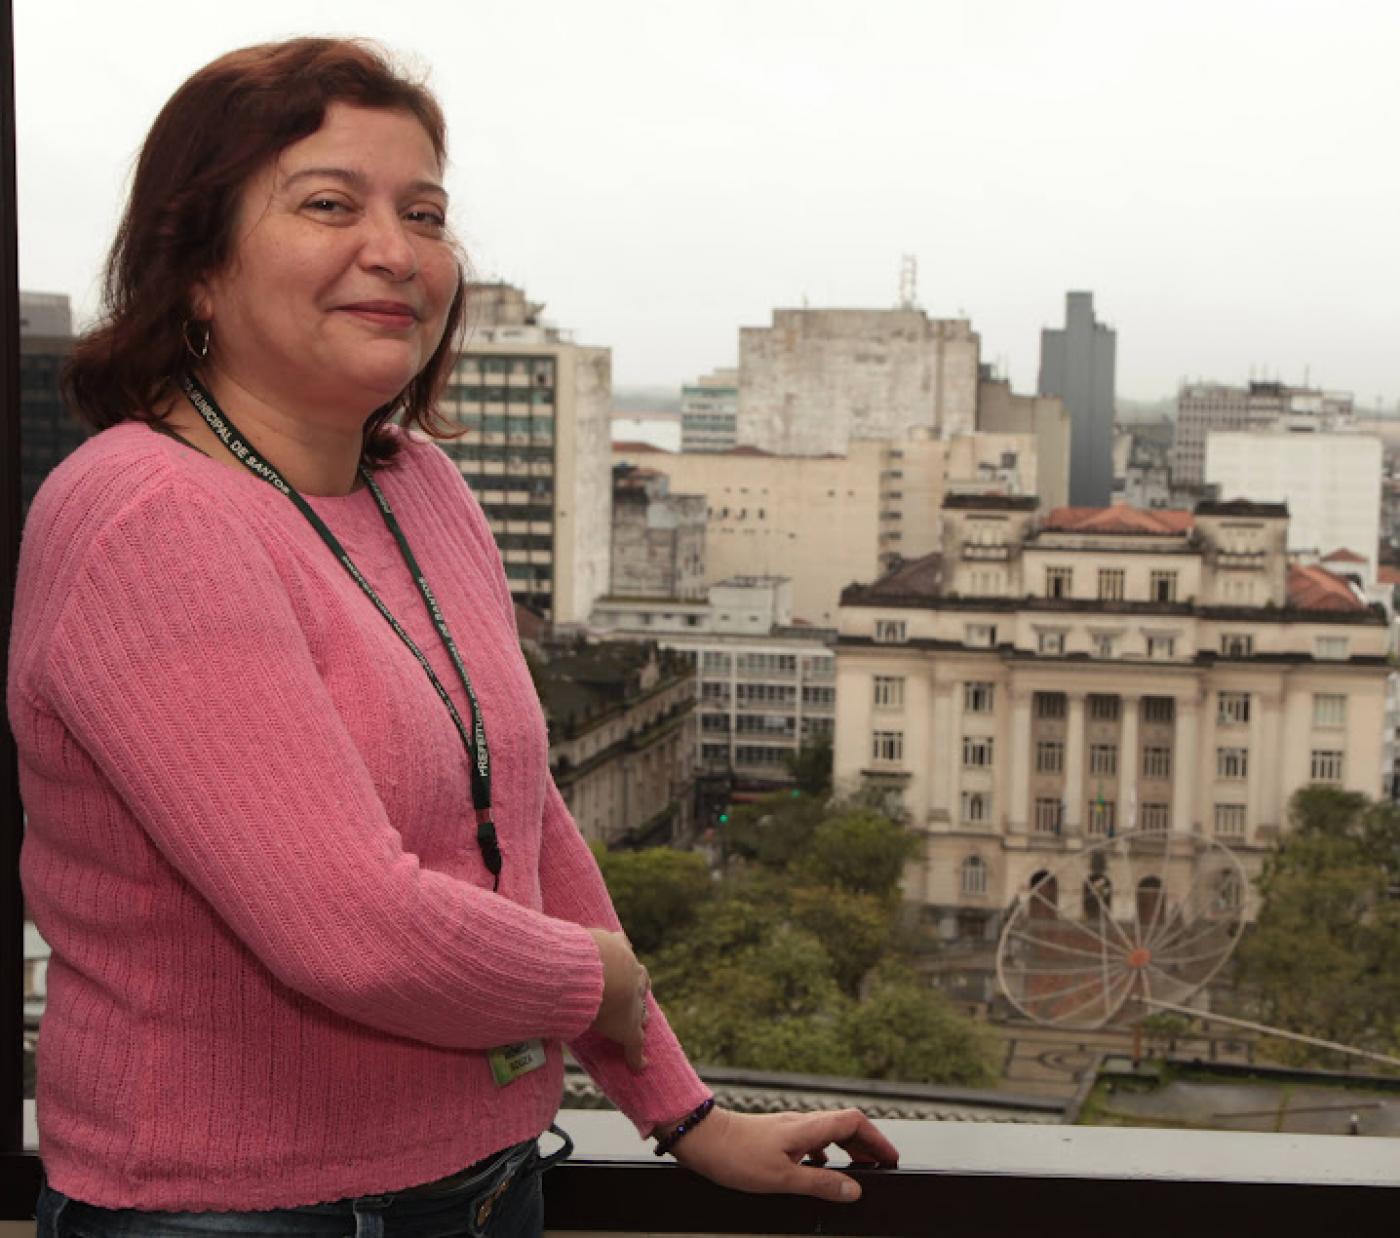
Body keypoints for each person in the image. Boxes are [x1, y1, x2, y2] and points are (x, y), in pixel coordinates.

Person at [10, 37, 898, 1238]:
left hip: (487, 1182)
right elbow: (351, 930)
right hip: (234, 1210)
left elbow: (524, 822)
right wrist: (602, 978)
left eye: (424, 212)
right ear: (198, 266)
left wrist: (680, 1106)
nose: (395, 247)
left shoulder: (417, 486)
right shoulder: (146, 515)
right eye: (329, 203)